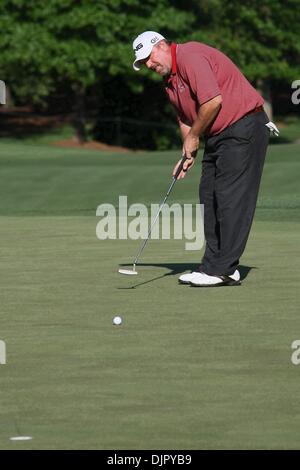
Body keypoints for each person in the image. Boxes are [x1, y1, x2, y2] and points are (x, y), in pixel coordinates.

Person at [132, 31, 276, 287]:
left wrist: (195, 137)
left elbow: (212, 102)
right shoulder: (169, 81)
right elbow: (186, 118)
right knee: (209, 195)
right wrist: (188, 152)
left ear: (162, 45)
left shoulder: (190, 56)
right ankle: (214, 265)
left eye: (149, 58)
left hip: (245, 125)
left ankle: (223, 269)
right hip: (220, 135)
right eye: (144, 63)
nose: (149, 65)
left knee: (230, 197)